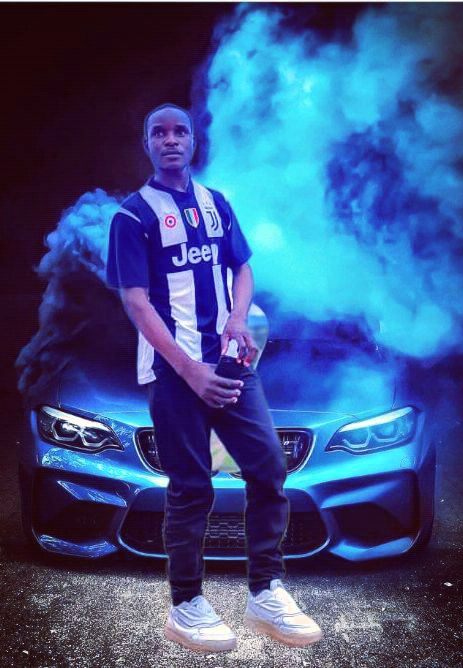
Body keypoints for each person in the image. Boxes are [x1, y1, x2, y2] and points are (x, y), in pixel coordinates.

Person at [106, 102, 323, 652]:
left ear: (193, 141)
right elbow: (136, 301)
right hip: (173, 370)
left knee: (268, 467)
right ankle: (186, 605)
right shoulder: (132, 216)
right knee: (191, 486)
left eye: (179, 131)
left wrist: (237, 317)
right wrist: (190, 370)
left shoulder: (216, 203)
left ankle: (265, 591)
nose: (170, 139)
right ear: (147, 144)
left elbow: (242, 267)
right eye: (159, 132)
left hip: (230, 362)